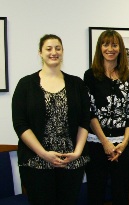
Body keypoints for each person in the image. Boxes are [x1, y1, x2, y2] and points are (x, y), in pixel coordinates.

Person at [12, 34, 90, 205]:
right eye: (49, 48)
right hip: (36, 162)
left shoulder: (76, 84)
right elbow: (20, 124)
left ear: (62, 52)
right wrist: (44, 154)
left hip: (71, 161)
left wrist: (77, 152)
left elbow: (85, 120)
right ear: (40, 52)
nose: (54, 52)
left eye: (58, 48)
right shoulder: (26, 84)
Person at [84, 30, 129, 205]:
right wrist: (105, 142)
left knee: (121, 194)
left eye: (114, 44)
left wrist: (125, 142)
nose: (110, 49)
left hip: (122, 145)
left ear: (120, 48)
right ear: (100, 48)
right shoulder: (90, 76)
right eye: (106, 44)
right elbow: (90, 112)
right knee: (96, 193)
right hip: (96, 144)